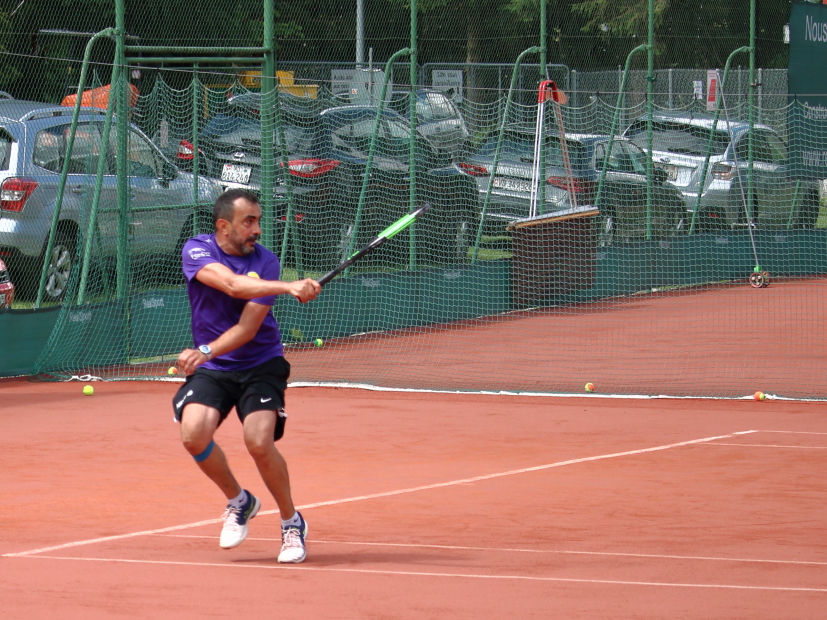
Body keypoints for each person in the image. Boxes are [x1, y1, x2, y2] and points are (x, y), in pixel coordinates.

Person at [172, 188, 321, 563]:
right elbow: (232, 285)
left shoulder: (266, 262)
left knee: (258, 442)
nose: (257, 229)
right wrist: (290, 286)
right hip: (216, 366)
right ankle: (240, 501)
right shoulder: (197, 249)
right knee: (193, 434)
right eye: (248, 221)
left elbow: (247, 329)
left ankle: (291, 522)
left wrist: (206, 350)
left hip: (260, 362)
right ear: (224, 226)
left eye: (258, 221)